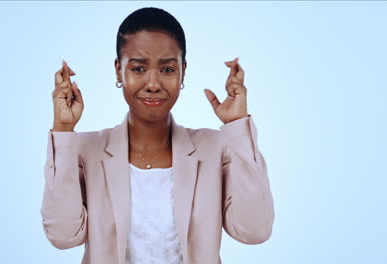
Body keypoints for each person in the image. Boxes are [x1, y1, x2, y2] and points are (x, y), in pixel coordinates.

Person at [41, 7, 274, 264]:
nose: (153, 83)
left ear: (183, 71)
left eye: (167, 70)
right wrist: (62, 129)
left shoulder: (215, 148)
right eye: (139, 69)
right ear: (119, 70)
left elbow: (254, 231)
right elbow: (63, 236)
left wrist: (238, 125)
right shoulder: (86, 149)